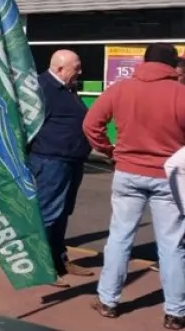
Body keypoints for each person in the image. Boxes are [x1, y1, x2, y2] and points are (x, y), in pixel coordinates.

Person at [83, 43, 185, 328]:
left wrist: (108, 150)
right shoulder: (180, 94)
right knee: (172, 245)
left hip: (127, 171)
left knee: (119, 238)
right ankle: (175, 312)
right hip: (168, 178)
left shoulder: (120, 89)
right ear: (171, 65)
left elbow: (91, 124)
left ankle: (108, 300)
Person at [27, 49, 93, 287]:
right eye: (76, 68)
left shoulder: (68, 87)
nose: (81, 72)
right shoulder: (41, 88)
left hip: (71, 160)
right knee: (48, 213)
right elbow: (26, 124)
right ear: (60, 69)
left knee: (63, 212)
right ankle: (41, 267)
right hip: (50, 160)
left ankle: (59, 259)